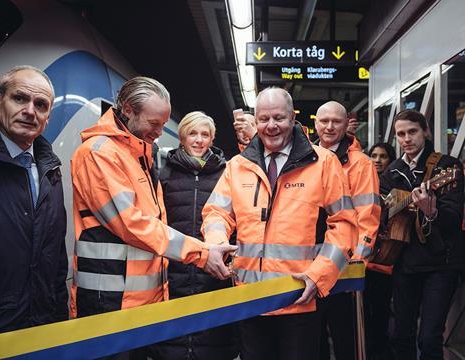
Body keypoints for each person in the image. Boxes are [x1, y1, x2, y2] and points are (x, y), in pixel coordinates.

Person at [202, 87, 357, 360]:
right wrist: (215, 243)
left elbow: (344, 224)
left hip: (299, 298)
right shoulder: (237, 165)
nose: (271, 126)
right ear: (256, 120)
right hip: (249, 298)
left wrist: (318, 276)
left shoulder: (324, 163)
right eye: (263, 119)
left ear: (292, 118)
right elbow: (216, 212)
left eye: (278, 118)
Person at [70, 77, 236, 321]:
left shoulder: (139, 155)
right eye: (154, 123)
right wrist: (200, 253)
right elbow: (131, 224)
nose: (159, 133)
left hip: (141, 300)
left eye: (163, 124)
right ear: (127, 110)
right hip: (108, 302)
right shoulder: (99, 154)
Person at [0, 66, 68, 335]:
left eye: (40, 105)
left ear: (47, 117)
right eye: (19, 98)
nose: (30, 111)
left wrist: (58, 323)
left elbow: (57, 258)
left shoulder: (50, 171)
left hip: (40, 328)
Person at [152, 111, 238, 360]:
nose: (199, 140)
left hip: (213, 271)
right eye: (193, 133)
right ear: (182, 137)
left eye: (205, 134)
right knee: (172, 344)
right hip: (174, 269)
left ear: (212, 139)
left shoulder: (226, 173)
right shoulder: (164, 172)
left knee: (212, 341)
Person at [380, 109, 464, 360]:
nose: (406, 139)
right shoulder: (391, 171)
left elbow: (453, 217)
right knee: (401, 335)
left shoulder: (447, 167)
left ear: (425, 131)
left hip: (441, 262)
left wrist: (431, 212)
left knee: (429, 337)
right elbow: (382, 216)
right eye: (401, 134)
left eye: (412, 132)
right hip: (403, 260)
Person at [314, 101, 381, 360]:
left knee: (347, 338)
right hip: (309, 262)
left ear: (346, 125)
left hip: (345, 265)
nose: (329, 127)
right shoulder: (303, 157)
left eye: (336, 121)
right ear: (315, 123)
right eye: (324, 121)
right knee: (313, 336)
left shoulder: (361, 164)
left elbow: (369, 214)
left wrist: (358, 261)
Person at [365, 142, 396, 360]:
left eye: (383, 156)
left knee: (382, 305)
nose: (377, 160)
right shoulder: (363, 182)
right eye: (374, 155)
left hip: (386, 257)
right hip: (364, 256)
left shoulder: (396, 183)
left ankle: (380, 348)